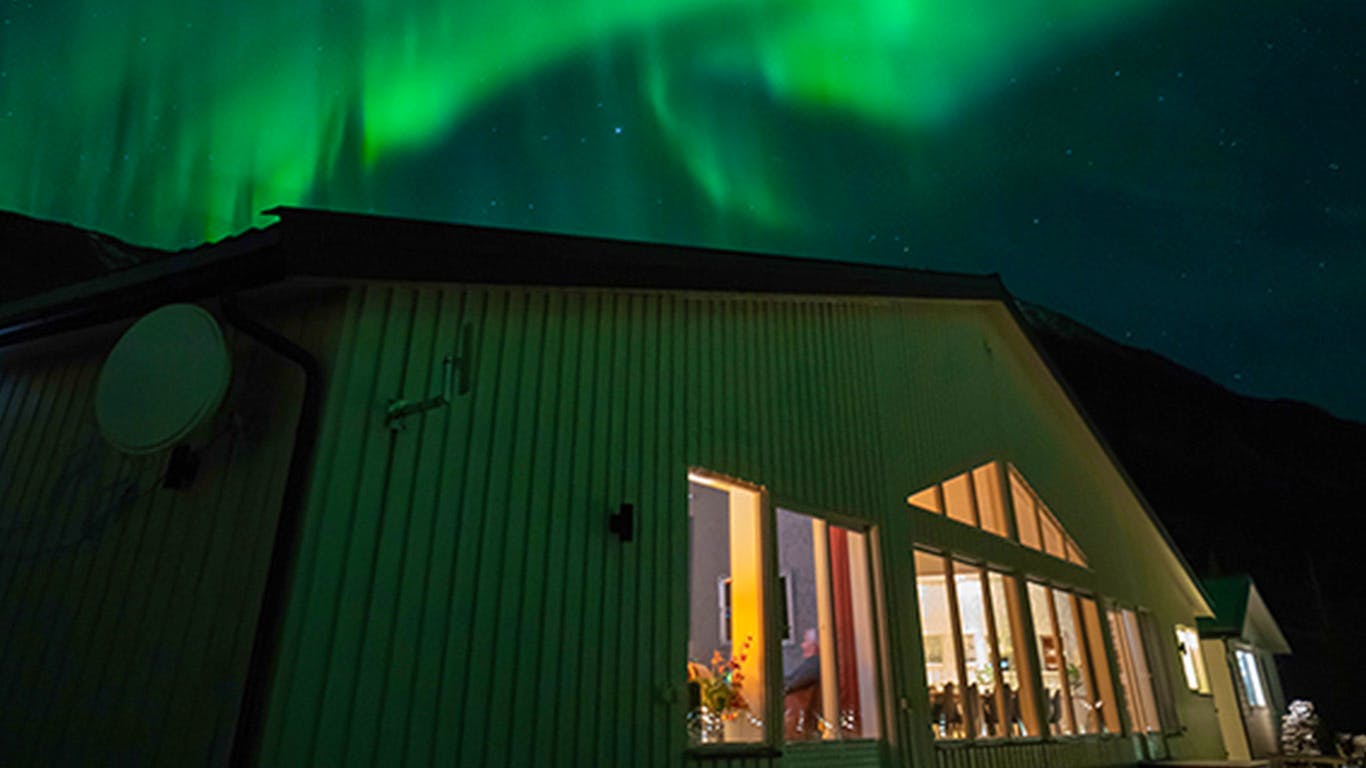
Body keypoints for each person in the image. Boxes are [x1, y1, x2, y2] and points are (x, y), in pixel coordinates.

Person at [784, 629, 822, 738]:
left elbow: (796, 682)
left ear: (814, 646)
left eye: (805, 642)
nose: (802, 646)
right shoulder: (811, 665)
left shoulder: (814, 664)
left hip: (801, 720)